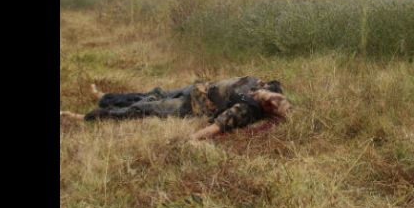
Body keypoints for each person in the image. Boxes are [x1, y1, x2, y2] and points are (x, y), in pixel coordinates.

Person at [59, 76, 292, 140]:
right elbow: (284, 106)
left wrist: (191, 139)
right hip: (199, 88)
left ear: (267, 106)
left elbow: (216, 129)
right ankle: (104, 97)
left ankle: (85, 117)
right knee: (153, 93)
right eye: (274, 94)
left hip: (189, 106)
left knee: (145, 108)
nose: (268, 93)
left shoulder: (245, 110)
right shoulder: (271, 87)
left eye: (270, 99)